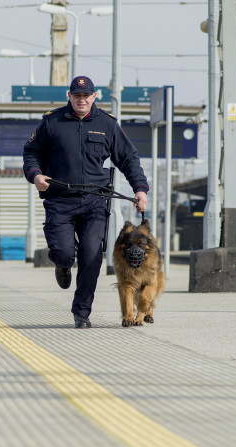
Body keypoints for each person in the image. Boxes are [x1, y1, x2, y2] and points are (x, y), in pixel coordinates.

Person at [23, 76, 149, 329]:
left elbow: (128, 159)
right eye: (77, 95)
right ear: (69, 96)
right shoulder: (52, 122)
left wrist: (140, 189)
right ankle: (62, 264)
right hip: (59, 198)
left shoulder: (107, 124)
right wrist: (35, 175)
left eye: (86, 96)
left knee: (92, 257)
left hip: (94, 200)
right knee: (63, 252)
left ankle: (82, 312)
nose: (82, 100)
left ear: (94, 97)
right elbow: (32, 152)